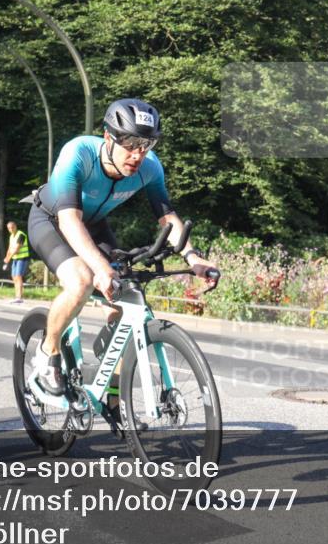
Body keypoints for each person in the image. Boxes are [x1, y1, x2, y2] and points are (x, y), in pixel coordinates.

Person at [27, 98, 219, 404]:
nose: (138, 154)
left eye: (147, 144)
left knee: (124, 303)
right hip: (52, 220)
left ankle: (113, 397)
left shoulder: (151, 168)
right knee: (81, 282)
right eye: (130, 143)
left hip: (94, 225)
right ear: (108, 137)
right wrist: (101, 269)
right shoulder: (78, 154)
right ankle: (47, 352)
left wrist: (193, 258)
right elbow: (69, 220)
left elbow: (168, 217)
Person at [2, 221, 30, 304]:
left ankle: (19, 297)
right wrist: (6, 257)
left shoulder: (21, 235)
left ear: (15, 226)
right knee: (14, 277)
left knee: (18, 276)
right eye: (9, 228)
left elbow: (17, 249)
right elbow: (10, 248)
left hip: (23, 258)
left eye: (12, 227)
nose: (11, 229)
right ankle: (16, 297)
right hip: (15, 259)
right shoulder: (11, 236)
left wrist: (9, 258)